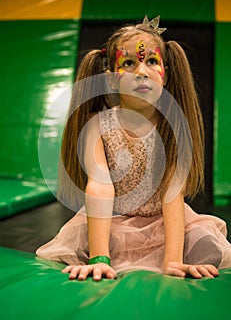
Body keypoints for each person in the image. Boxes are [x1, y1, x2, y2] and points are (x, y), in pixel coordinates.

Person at [36, 15, 231, 281]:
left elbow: (172, 193)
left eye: (152, 61)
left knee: (206, 246)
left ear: (165, 75)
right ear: (112, 78)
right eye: (128, 63)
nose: (141, 72)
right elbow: (100, 185)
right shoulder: (98, 125)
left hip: (165, 223)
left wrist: (173, 260)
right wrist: (100, 257)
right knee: (82, 241)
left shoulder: (171, 126)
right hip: (114, 223)